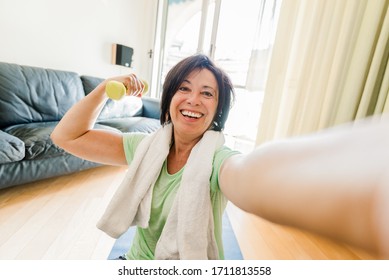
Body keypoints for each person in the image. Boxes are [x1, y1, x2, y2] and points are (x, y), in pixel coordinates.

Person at [51, 54, 389, 259]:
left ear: (217, 110)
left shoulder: (218, 161)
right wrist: (103, 88)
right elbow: (66, 136)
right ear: (170, 98)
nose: (193, 100)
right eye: (184, 88)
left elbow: (252, 177)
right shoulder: (145, 148)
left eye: (207, 93)